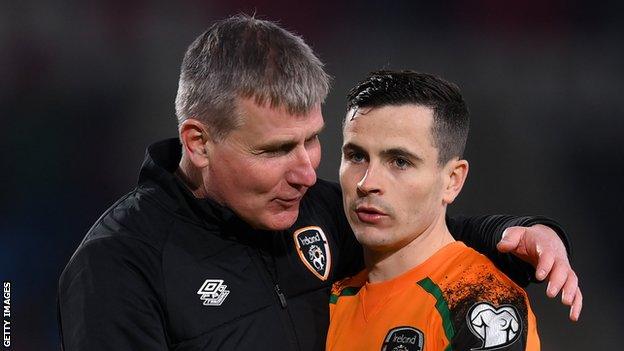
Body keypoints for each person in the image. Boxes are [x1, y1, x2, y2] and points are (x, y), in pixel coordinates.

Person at [57, 15, 580, 351]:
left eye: (313, 140)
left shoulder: (313, 209)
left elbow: (416, 232)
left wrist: (516, 234)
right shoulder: (118, 266)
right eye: (277, 150)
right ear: (198, 143)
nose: (308, 171)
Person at [327, 70, 540, 351]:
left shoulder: (479, 300)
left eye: (400, 162)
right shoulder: (331, 297)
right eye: (356, 156)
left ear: (452, 180)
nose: (368, 183)